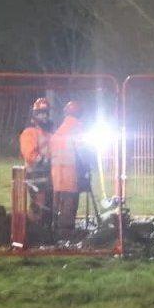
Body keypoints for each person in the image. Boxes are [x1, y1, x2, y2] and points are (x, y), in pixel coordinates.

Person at [19, 97, 54, 243]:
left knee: (48, 208)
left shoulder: (48, 132)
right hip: (35, 176)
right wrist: (44, 161)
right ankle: (34, 236)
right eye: (40, 113)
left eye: (46, 112)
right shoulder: (29, 132)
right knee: (39, 208)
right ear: (34, 114)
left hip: (48, 176)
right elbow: (29, 153)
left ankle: (45, 236)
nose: (44, 116)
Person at [50, 100, 86, 241]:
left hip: (57, 176)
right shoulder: (78, 127)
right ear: (79, 114)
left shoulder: (60, 129)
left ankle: (55, 231)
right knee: (69, 206)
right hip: (70, 175)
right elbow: (82, 150)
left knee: (58, 204)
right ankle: (66, 235)